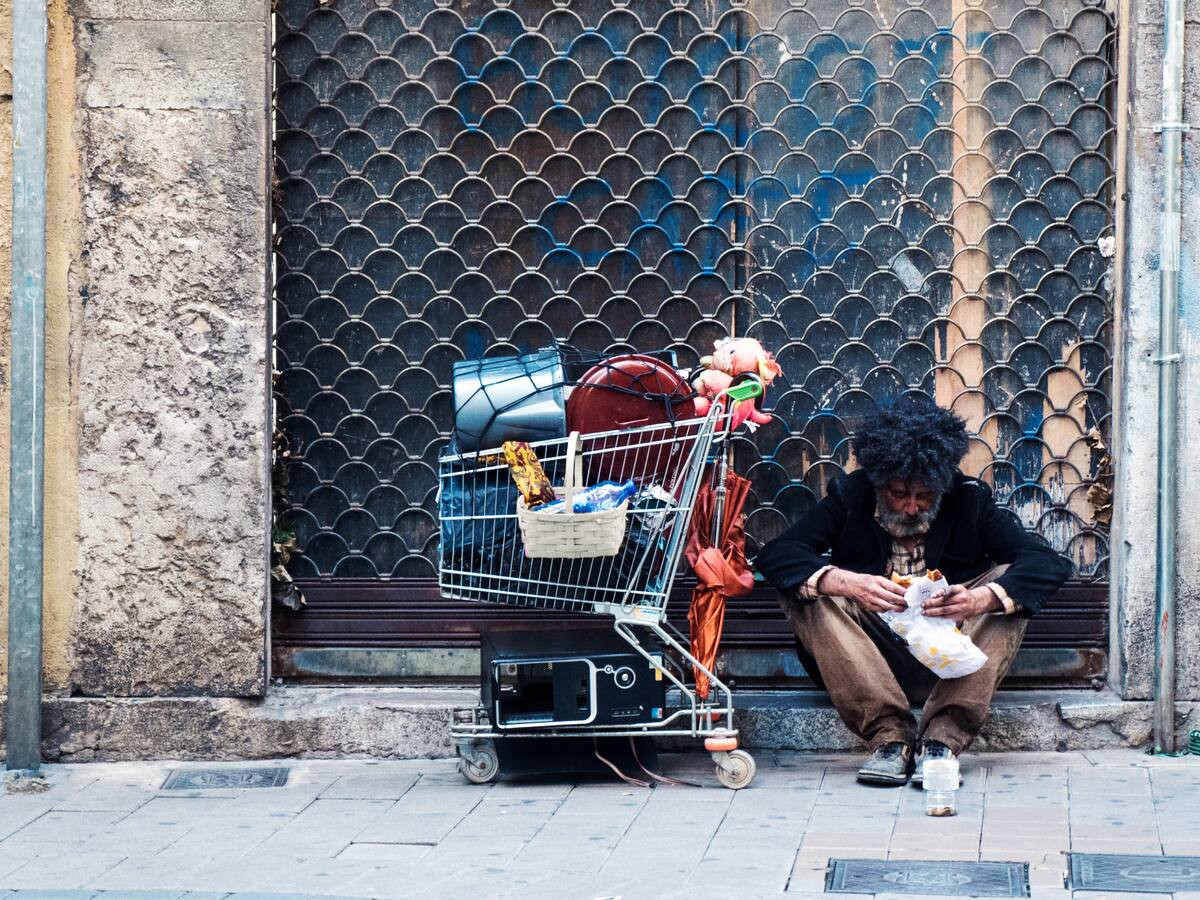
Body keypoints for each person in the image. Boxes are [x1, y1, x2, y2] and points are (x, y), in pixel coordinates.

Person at [755, 398, 1072, 785]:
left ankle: (941, 740)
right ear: (878, 482)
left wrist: (977, 600)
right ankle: (890, 739)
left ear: (941, 484)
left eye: (923, 496)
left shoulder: (968, 499)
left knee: (1008, 582)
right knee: (807, 589)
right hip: (867, 664)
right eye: (898, 493)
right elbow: (777, 555)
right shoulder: (851, 495)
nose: (910, 507)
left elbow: (1046, 563)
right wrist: (846, 582)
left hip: (949, 663)